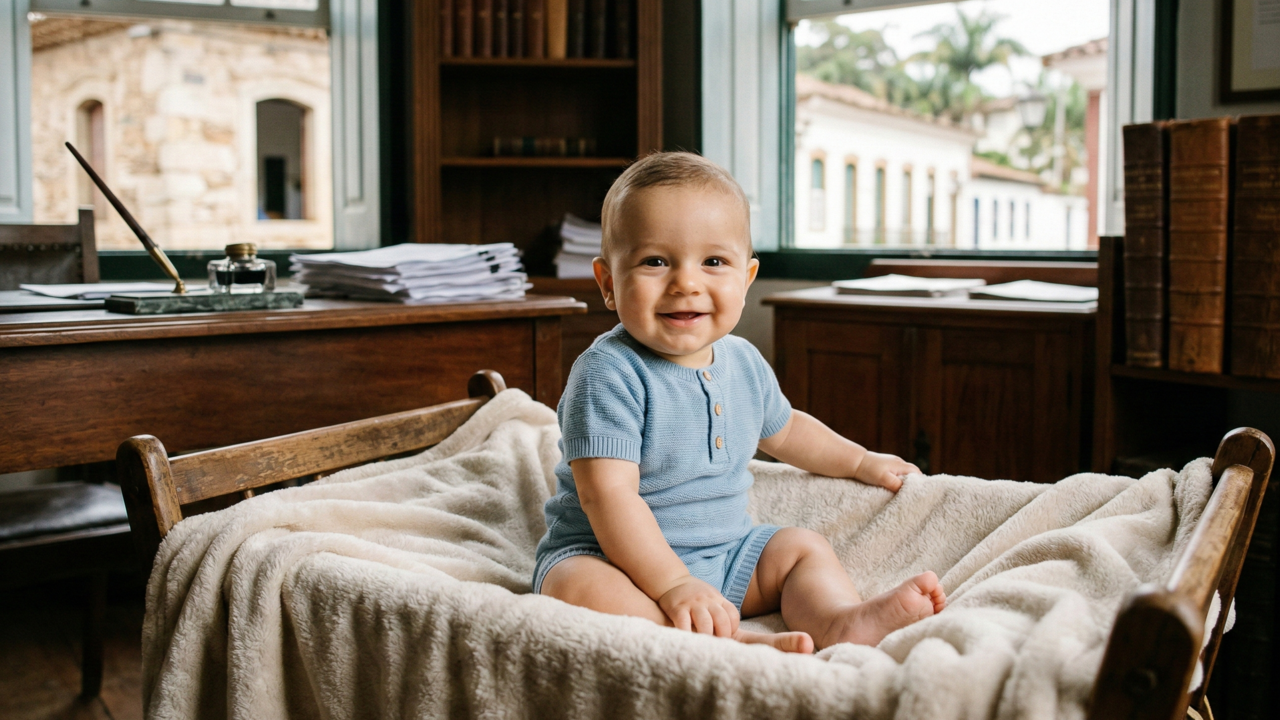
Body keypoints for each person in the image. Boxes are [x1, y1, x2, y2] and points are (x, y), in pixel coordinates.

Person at [533, 152, 946, 654]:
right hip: (615, 560)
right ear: (607, 284)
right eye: (655, 261)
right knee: (572, 586)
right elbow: (608, 497)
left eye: (713, 262)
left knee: (799, 548)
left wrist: (859, 461)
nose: (686, 282)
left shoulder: (743, 362)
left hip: (726, 558)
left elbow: (787, 430)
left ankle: (838, 621)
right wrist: (672, 585)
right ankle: (720, 644)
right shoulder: (608, 373)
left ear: (746, 279)